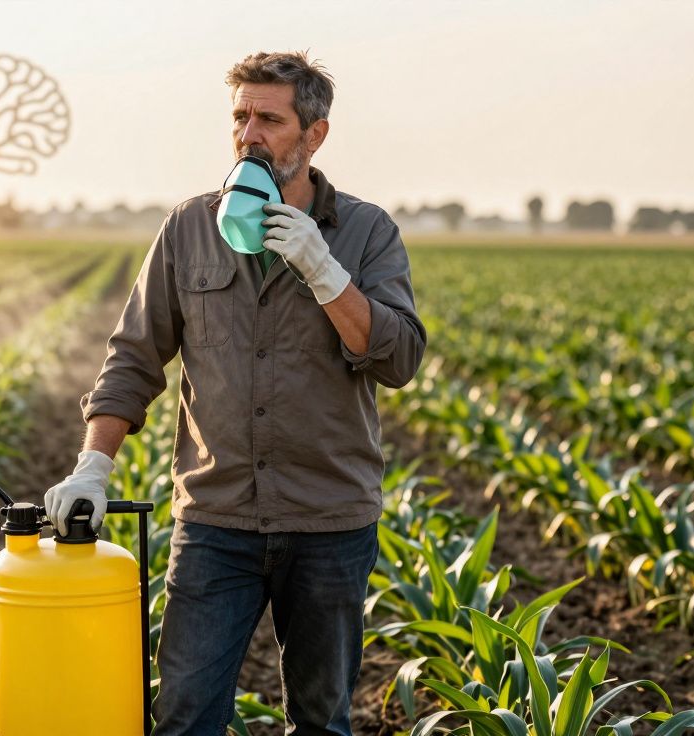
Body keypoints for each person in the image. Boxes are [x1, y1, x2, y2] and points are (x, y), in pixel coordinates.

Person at [45, 50, 427, 735]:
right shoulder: (189, 228)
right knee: (186, 716)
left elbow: (398, 360)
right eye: (241, 117)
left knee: (320, 720)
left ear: (314, 135)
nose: (250, 134)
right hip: (215, 522)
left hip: (329, 523)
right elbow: (134, 357)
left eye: (269, 119)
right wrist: (92, 467)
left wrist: (325, 273)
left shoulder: (367, 232)